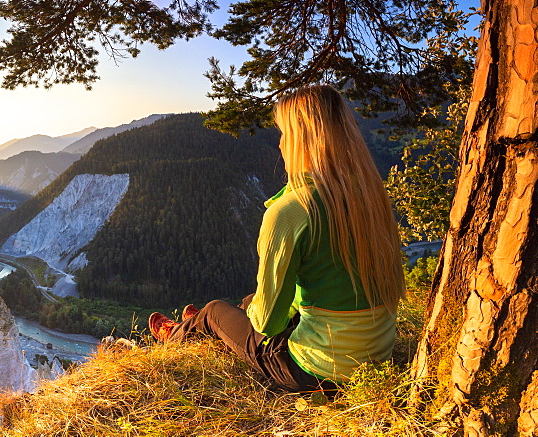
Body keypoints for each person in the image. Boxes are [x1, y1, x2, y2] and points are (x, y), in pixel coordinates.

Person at [148, 85, 405, 394]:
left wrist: (254, 308)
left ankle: (184, 331)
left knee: (217, 309)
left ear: (300, 141)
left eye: (284, 134)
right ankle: (200, 324)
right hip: (376, 357)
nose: (281, 144)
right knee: (246, 303)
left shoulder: (291, 211)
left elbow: (268, 324)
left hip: (315, 372)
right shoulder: (369, 196)